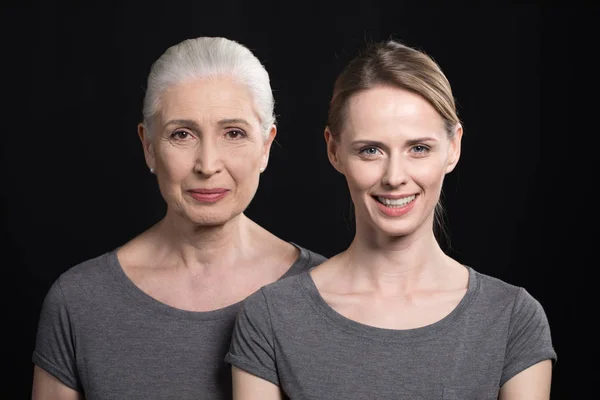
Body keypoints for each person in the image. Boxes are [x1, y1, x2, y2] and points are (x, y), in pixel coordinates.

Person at [226, 39, 556, 399]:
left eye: (419, 148)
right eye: (371, 150)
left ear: (454, 147)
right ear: (333, 150)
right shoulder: (272, 317)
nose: (395, 176)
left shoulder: (511, 318)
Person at [31, 36, 326, 399]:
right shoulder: (79, 301)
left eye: (233, 133)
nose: (208, 165)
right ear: (149, 147)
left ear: (266, 146)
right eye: (182, 134)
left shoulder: (327, 291)